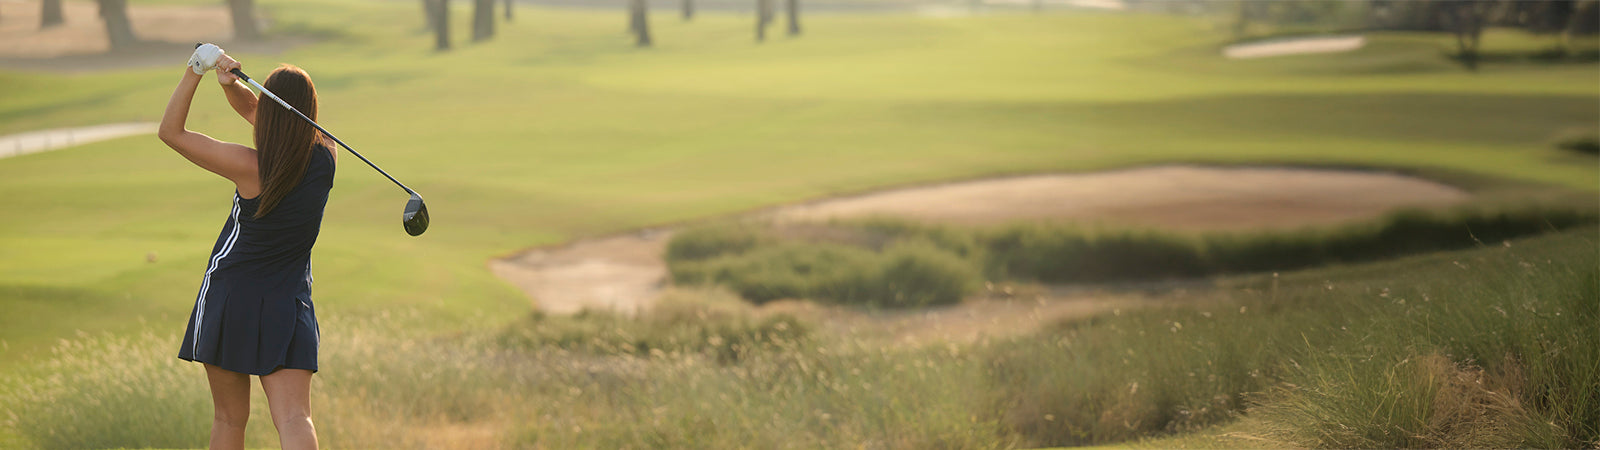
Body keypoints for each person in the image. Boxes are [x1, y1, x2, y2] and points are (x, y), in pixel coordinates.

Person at [159, 44, 334, 450]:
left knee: (229, 419)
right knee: (295, 417)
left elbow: (171, 133)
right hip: (287, 300)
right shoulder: (326, 155)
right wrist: (230, 86)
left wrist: (196, 70)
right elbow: (272, 121)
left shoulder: (248, 166)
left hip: (231, 296)